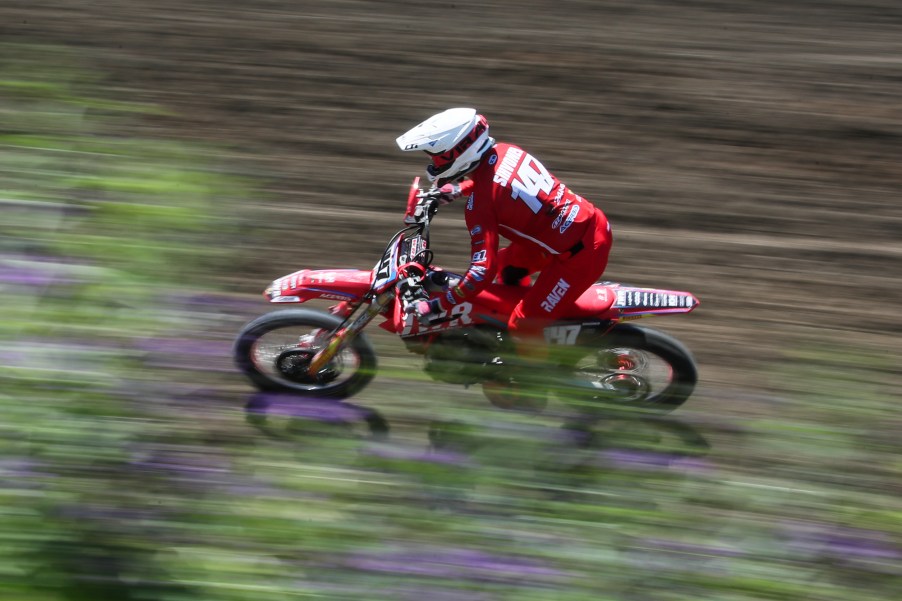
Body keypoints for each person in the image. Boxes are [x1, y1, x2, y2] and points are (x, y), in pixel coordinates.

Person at [396, 107, 613, 354]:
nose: (433, 163)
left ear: (459, 151)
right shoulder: (507, 151)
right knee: (506, 270)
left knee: (522, 325)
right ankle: (542, 316)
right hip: (582, 228)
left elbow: (480, 272)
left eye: (437, 156)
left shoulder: (480, 206)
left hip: (581, 256)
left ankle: (543, 381)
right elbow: (503, 184)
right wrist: (460, 189)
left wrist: (439, 306)